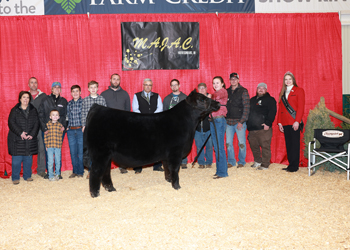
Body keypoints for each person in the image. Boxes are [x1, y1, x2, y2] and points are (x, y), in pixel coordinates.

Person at [132, 78, 164, 173]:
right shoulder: (136, 95)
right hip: (141, 124)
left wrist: (152, 118)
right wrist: (145, 118)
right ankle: (138, 166)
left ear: (151, 86)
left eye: (150, 85)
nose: (148, 86)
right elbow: (135, 109)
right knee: (140, 145)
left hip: (154, 124)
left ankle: (157, 165)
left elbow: (160, 108)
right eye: (146, 85)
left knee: (156, 145)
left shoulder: (157, 96)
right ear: (143, 85)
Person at [101, 73, 131, 174]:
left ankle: (122, 166)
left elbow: (128, 110)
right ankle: (106, 166)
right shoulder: (104, 94)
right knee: (108, 146)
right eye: (114, 79)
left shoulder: (125, 94)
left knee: (121, 146)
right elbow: (101, 111)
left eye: (117, 79)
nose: (116, 81)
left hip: (122, 125)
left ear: (119, 81)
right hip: (108, 125)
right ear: (110, 80)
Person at [8, 91, 39, 185]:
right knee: (16, 161)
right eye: (24, 97)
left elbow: (37, 123)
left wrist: (32, 134)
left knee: (28, 160)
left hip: (29, 139)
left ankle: (27, 176)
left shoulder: (33, 110)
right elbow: (11, 123)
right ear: (20, 99)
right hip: (17, 139)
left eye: (28, 97)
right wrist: (20, 133)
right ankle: (15, 177)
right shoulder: (15, 110)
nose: (26, 99)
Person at [277, 71, 305, 172]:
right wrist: (279, 122)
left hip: (294, 122)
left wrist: (297, 121)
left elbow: (301, 108)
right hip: (285, 122)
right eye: (286, 79)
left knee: (295, 145)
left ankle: (294, 166)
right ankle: (290, 165)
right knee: (288, 144)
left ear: (293, 80)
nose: (288, 81)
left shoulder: (299, 90)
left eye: (290, 79)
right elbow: (280, 108)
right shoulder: (282, 92)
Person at [38, 82, 68, 179]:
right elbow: (40, 115)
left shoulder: (64, 101)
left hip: (59, 130)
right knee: (48, 151)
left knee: (58, 151)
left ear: (61, 89)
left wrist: (64, 126)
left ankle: (58, 173)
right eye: (55, 87)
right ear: (51, 89)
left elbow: (66, 115)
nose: (57, 89)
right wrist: (44, 128)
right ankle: (49, 172)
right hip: (47, 130)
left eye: (59, 87)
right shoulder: (45, 100)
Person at [247, 83, 277, 170]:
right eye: (259, 88)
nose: (260, 89)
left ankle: (265, 164)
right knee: (254, 146)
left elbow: (272, 112)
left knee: (265, 146)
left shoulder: (270, 100)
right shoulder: (252, 100)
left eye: (263, 88)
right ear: (256, 90)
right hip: (252, 128)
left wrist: (268, 123)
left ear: (266, 90)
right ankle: (257, 161)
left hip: (263, 128)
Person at [81, 80, 107, 178]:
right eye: (91, 87)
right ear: (88, 89)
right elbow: (83, 113)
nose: (93, 89)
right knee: (90, 150)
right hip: (89, 128)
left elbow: (105, 113)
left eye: (95, 87)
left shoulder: (102, 99)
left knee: (100, 150)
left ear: (97, 88)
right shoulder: (85, 100)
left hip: (100, 128)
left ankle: (101, 170)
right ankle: (91, 170)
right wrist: (84, 125)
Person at [226, 72, 250, 168]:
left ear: (238, 80)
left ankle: (241, 161)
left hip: (239, 122)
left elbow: (247, 107)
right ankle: (231, 161)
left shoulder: (243, 91)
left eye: (235, 79)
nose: (233, 81)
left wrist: (241, 121)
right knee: (228, 143)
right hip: (228, 122)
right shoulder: (226, 91)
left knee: (242, 143)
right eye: (232, 79)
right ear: (230, 80)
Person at [163, 79, 188, 169]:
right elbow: (164, 112)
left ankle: (184, 161)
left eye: (176, 85)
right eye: (172, 85)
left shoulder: (185, 98)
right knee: (171, 144)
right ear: (170, 87)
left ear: (179, 85)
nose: (174, 87)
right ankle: (171, 160)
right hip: (170, 125)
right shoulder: (167, 99)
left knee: (183, 143)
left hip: (182, 125)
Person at [28, 77, 47, 177]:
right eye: (31, 82)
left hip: (40, 127)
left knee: (41, 148)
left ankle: (41, 170)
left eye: (35, 82)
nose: (34, 84)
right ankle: (28, 171)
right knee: (28, 149)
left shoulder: (43, 96)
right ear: (28, 84)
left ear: (37, 84)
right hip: (28, 127)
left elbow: (47, 110)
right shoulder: (25, 96)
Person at [210, 76, 228, 179]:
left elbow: (215, 97)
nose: (215, 85)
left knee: (219, 147)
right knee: (216, 147)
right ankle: (219, 171)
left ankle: (222, 172)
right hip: (213, 120)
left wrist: (209, 96)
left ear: (222, 84)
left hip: (219, 120)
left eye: (217, 83)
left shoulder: (223, 91)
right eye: (213, 83)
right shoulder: (215, 94)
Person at [194, 83, 213, 169]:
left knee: (209, 146)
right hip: (197, 127)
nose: (201, 89)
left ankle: (209, 162)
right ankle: (201, 162)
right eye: (200, 88)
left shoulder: (211, 99)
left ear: (206, 89)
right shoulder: (195, 101)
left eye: (203, 88)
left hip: (208, 126)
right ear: (198, 89)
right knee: (199, 146)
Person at [67, 85, 84, 178]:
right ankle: (75, 171)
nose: (75, 93)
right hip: (71, 131)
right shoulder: (69, 104)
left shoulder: (83, 102)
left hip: (80, 130)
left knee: (81, 152)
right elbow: (67, 116)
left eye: (77, 91)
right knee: (73, 152)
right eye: (73, 91)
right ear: (71, 93)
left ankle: (81, 172)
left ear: (80, 92)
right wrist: (66, 126)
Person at [44, 110, 63, 181]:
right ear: (50, 117)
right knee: (50, 162)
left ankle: (57, 174)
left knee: (58, 161)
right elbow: (45, 136)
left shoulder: (60, 125)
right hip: (50, 146)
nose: (55, 116)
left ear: (58, 117)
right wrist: (46, 145)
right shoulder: (47, 125)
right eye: (53, 115)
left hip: (57, 146)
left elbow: (61, 136)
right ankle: (51, 175)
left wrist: (60, 145)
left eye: (56, 115)